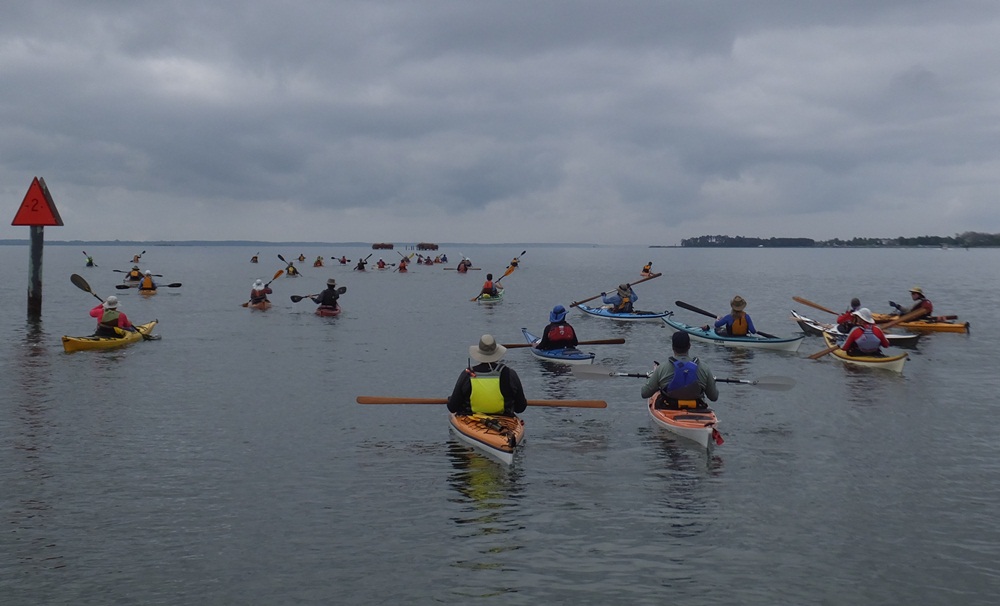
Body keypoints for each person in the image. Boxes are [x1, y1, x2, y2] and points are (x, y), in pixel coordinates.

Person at [447, 335, 528, 416]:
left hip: (472, 419)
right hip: (505, 419)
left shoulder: (467, 374)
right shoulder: (510, 374)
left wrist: (450, 399)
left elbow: (452, 407)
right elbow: (520, 408)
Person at [641, 331, 719, 410]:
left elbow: (644, 393)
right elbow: (714, 397)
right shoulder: (704, 368)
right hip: (697, 407)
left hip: (670, 407)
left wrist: (654, 375)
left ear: (672, 347)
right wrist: (712, 381)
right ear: (689, 346)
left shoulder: (661, 368)